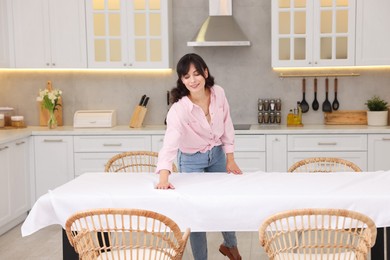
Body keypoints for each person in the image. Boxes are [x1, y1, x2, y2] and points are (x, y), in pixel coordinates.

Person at [155, 53, 242, 260]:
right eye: (186, 76)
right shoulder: (179, 110)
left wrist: (230, 158)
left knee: (223, 202)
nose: (192, 80)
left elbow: (227, 125)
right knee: (195, 213)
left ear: (205, 72)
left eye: (196, 74)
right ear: (181, 80)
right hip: (192, 159)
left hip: (217, 155)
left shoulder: (218, 93)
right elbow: (170, 144)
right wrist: (163, 178)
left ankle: (230, 246)